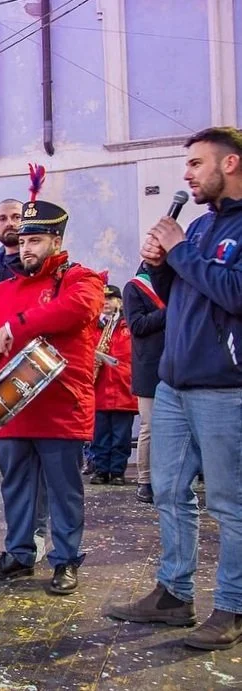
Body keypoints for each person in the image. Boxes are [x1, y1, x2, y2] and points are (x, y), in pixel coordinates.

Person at [108, 127, 242, 650]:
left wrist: (180, 249)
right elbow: (177, 295)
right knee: (167, 490)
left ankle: (231, 607)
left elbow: (233, 292)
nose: (186, 175)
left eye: (195, 164)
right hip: (173, 384)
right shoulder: (202, 225)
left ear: (230, 163)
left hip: (224, 387)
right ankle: (173, 593)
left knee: (229, 503)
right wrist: (160, 267)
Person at [0, 190, 103, 594]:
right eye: (24, 240)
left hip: (60, 405)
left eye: (36, 240)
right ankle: (19, 553)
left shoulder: (80, 278)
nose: (27, 248)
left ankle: (65, 559)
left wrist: (16, 326)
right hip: (12, 405)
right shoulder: (3, 289)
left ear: (56, 242)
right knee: (15, 486)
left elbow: (78, 308)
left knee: (63, 490)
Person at [0, 198, 50, 561]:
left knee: (36, 462)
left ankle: (37, 531)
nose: (9, 223)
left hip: (34, 374)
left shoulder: (45, 269)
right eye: (2, 218)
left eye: (16, 217)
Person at [122, 268, 165, 503]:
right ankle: (145, 480)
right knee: (150, 425)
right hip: (149, 366)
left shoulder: (174, 283)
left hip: (177, 365)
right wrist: (169, 311)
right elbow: (137, 325)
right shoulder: (135, 287)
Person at [88, 284, 137, 487]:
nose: (106, 302)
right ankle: (100, 470)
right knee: (99, 435)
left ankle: (117, 471)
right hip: (99, 389)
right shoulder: (93, 326)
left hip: (123, 388)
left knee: (121, 437)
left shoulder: (129, 326)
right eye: (103, 299)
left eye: (110, 298)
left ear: (120, 302)